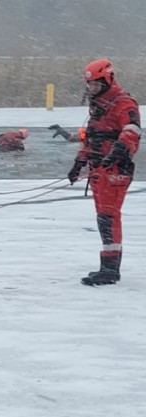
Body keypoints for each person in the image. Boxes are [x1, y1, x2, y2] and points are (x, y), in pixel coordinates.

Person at [67, 59, 141, 286]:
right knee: (103, 219)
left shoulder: (123, 104)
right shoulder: (99, 106)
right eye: (89, 85)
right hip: (99, 169)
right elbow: (93, 139)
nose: (91, 89)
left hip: (115, 169)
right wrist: (79, 163)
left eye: (95, 85)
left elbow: (132, 132)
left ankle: (110, 270)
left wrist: (117, 152)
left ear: (107, 80)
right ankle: (107, 266)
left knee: (108, 218)